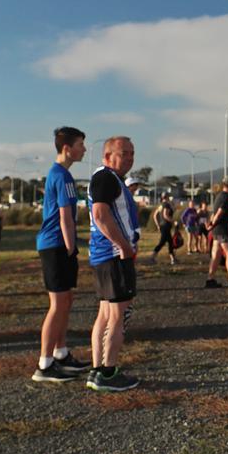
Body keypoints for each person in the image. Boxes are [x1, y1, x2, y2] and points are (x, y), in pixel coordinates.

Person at [32, 127, 92, 384]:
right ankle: (44, 365)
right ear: (67, 148)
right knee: (57, 304)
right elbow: (65, 216)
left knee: (66, 300)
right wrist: (71, 247)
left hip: (56, 245)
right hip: (55, 245)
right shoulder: (63, 177)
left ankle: (61, 353)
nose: (84, 149)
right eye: (81, 144)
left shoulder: (58, 174)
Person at [86, 136, 140, 392]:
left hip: (105, 256)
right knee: (116, 316)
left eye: (131, 153)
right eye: (123, 153)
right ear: (107, 157)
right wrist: (124, 246)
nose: (129, 158)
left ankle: (98, 369)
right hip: (113, 257)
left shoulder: (110, 179)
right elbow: (99, 214)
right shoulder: (106, 178)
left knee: (106, 314)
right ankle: (108, 371)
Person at [205, 178, 228, 289]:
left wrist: (211, 225)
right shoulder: (225, 198)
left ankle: (210, 279)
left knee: (216, 255)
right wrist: (212, 223)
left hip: (216, 231)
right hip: (223, 230)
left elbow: (214, 213)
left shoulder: (219, 196)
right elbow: (219, 213)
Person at [150, 194, 177, 265]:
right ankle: (152, 256)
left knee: (170, 242)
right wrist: (173, 221)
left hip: (162, 226)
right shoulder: (166, 205)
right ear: (167, 197)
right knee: (162, 242)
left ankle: (173, 258)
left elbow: (155, 215)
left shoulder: (161, 205)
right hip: (166, 225)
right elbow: (165, 215)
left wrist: (157, 225)